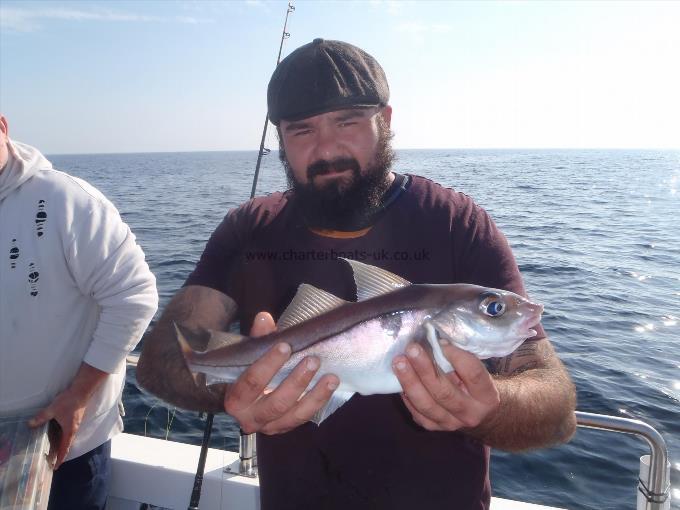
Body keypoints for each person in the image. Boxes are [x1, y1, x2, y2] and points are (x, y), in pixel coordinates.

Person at [137, 39, 576, 509]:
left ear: (385, 122)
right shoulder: (248, 229)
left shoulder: (457, 224)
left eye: (347, 122)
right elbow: (160, 362)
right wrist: (238, 390)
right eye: (302, 131)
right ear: (279, 139)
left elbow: (555, 407)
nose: (327, 149)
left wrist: (489, 407)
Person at [0, 114, 158, 510]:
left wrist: (78, 395)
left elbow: (135, 295)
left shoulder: (66, 202)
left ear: (3, 126)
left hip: (62, 444)